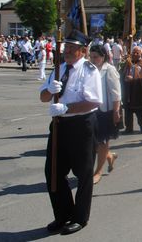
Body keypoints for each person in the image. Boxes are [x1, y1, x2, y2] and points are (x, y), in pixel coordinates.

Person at [39, 30, 102, 235]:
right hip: (59, 126)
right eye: (66, 47)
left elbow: (93, 101)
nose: (66, 51)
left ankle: (80, 218)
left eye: (72, 48)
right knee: (53, 172)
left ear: (83, 51)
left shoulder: (89, 70)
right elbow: (43, 97)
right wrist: (51, 90)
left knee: (83, 173)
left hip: (82, 125)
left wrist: (66, 108)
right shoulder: (59, 69)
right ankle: (63, 214)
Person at [89, 44, 121, 185]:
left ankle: (98, 171)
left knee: (102, 142)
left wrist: (116, 111)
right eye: (91, 56)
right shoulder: (90, 69)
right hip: (91, 110)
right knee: (94, 142)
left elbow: (116, 93)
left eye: (96, 57)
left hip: (106, 111)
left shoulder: (110, 70)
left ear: (103, 57)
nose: (93, 59)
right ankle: (109, 156)